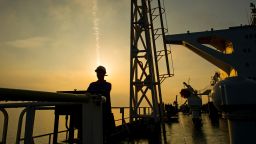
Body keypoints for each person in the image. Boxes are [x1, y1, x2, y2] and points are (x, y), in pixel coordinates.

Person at [87, 66, 115, 142]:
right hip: (94, 114)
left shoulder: (108, 85)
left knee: (106, 136)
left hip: (105, 114)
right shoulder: (92, 84)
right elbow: (87, 94)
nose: (98, 74)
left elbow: (103, 92)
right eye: (97, 72)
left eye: (100, 72)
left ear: (104, 74)